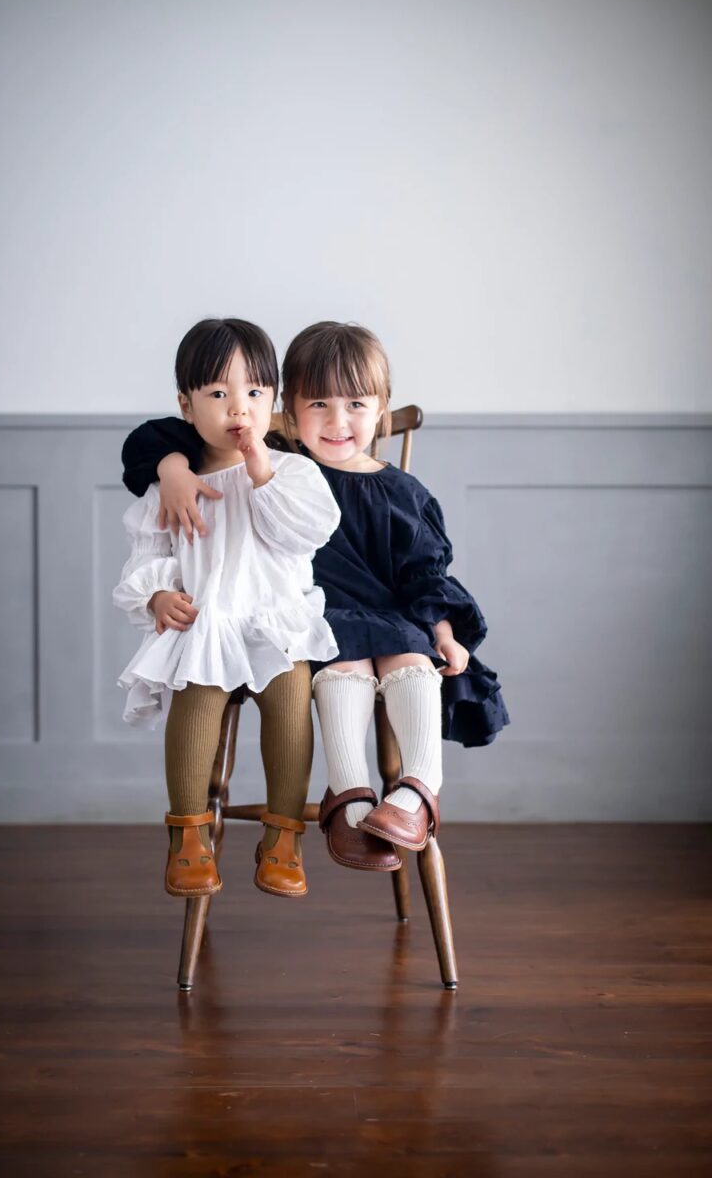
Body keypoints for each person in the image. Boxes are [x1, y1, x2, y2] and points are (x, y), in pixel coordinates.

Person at [120, 321, 509, 876]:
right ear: (291, 412)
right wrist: (172, 465)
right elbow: (151, 439)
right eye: (318, 404)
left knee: (411, 657)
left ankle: (417, 791)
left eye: (356, 404)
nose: (336, 421)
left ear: (382, 409)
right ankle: (347, 796)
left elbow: (425, 573)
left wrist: (443, 631)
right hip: (316, 621)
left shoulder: (343, 481)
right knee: (335, 663)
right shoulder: (270, 456)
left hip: (373, 616)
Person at [113, 318, 340, 900]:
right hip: (208, 621)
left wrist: (261, 469)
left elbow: (306, 533)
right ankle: (188, 834)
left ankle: (283, 836)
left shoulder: (292, 471)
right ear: (186, 406)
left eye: (255, 392)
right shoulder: (173, 483)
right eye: (218, 393)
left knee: (290, 703)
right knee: (195, 701)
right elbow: (148, 554)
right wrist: (157, 595)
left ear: (274, 401)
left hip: (274, 620)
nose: (238, 407)